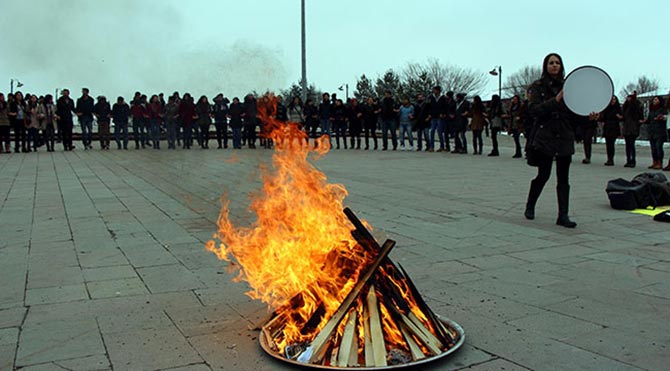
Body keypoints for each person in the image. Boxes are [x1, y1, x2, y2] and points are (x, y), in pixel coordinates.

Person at [525, 53, 590, 228]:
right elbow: (534, 111)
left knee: (563, 178)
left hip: (564, 136)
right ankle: (530, 205)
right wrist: (555, 100)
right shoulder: (537, 87)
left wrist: (590, 117)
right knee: (543, 175)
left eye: (558, 63)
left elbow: (575, 115)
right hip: (545, 136)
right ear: (545, 66)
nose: (555, 66)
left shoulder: (569, 87)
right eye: (551, 63)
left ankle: (563, 215)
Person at [641, 97, 667, 170]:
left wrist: (661, 118)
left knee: (659, 147)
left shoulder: (662, 109)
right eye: (654, 100)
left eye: (656, 100)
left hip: (660, 131)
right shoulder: (652, 110)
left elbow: (665, 118)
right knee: (653, 148)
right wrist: (643, 121)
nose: (654, 101)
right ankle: (654, 162)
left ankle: (659, 162)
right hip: (652, 131)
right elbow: (649, 119)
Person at [621, 92, 643, 167]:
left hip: (633, 128)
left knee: (631, 145)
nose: (628, 99)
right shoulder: (625, 108)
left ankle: (632, 160)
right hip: (627, 128)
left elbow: (640, 117)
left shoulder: (636, 107)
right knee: (627, 145)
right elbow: (623, 118)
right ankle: (628, 160)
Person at [600, 96, 623, 166]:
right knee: (608, 144)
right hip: (607, 127)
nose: (613, 101)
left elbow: (622, 117)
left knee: (611, 144)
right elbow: (603, 117)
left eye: (614, 99)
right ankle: (609, 158)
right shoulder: (607, 108)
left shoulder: (618, 108)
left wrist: (619, 117)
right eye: (612, 99)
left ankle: (611, 159)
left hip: (614, 127)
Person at [427, 86, 447, 152]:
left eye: (435, 90)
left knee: (439, 132)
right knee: (432, 131)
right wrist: (429, 114)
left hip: (439, 117)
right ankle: (431, 146)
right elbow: (429, 107)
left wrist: (443, 113)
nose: (434, 91)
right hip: (433, 116)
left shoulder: (443, 98)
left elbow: (445, 107)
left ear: (438, 91)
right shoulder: (431, 98)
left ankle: (442, 146)